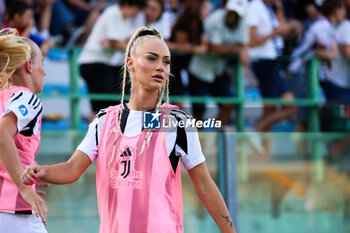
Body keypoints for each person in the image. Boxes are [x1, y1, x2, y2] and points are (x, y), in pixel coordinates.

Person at [21, 27, 237, 233]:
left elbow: (205, 185)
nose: (161, 67)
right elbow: (71, 169)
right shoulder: (105, 120)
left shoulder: (176, 122)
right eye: (152, 58)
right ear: (130, 63)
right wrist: (42, 170)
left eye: (166, 61)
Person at [0, 28, 47, 232]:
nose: (44, 71)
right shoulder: (27, 98)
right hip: (13, 211)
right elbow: (1, 134)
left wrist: (23, 171)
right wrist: (24, 187)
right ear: (29, 66)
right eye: (42, 63)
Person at [78, 0, 146, 122]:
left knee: (105, 107)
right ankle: (98, 137)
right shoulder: (113, 13)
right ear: (127, 4)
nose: (138, 13)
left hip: (103, 64)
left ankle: (101, 136)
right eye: (137, 9)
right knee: (107, 106)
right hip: (93, 63)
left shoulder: (124, 19)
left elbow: (123, 42)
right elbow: (118, 43)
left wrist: (117, 44)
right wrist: (120, 45)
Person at [246, 0, 297, 155]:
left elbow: (285, 29)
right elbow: (252, 40)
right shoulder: (255, 6)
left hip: (274, 62)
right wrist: (275, 32)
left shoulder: (270, 8)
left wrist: (280, 8)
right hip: (264, 62)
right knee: (271, 107)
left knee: (289, 105)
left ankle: (256, 133)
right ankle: (256, 135)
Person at [188, 0, 249, 125]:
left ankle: (215, 141)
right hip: (200, 71)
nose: (232, 16)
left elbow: (243, 45)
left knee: (228, 104)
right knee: (199, 111)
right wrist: (237, 50)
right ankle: (199, 142)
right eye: (230, 12)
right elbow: (214, 47)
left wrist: (240, 50)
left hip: (218, 70)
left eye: (235, 14)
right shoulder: (214, 20)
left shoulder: (242, 24)